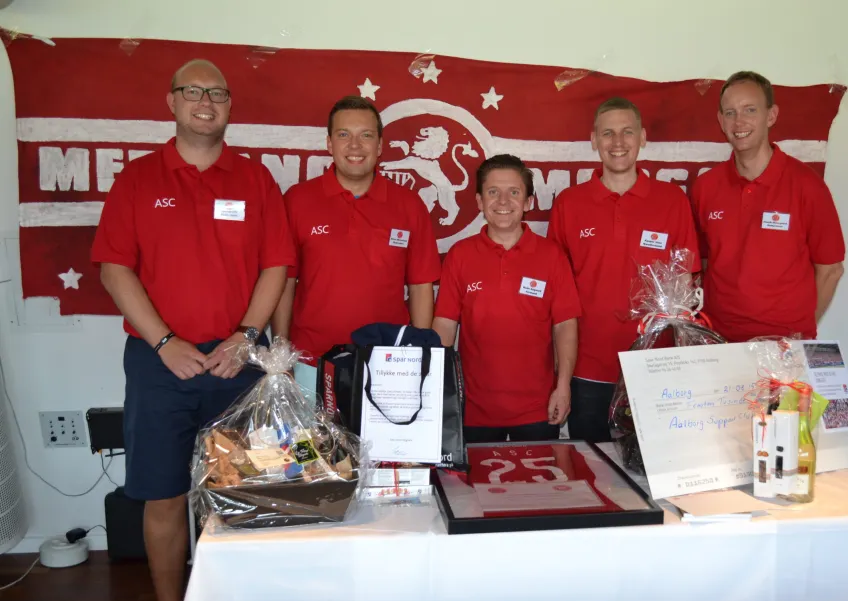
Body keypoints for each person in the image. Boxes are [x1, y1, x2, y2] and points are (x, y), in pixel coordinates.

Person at [91, 59, 294, 601]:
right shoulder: (138, 179)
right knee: (163, 492)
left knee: (245, 491)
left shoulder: (255, 179)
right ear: (172, 101)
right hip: (161, 364)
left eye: (218, 94)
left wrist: (245, 336)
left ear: (230, 105)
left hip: (238, 361)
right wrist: (164, 342)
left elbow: (276, 266)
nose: (206, 102)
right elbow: (114, 268)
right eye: (193, 92)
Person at [548, 98, 701, 443]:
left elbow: (684, 282)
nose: (618, 142)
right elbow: (556, 294)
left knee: (650, 465)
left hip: (653, 365)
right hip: (586, 366)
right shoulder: (569, 204)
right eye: (608, 133)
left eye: (627, 132)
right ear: (594, 140)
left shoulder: (672, 200)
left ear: (642, 137)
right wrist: (560, 370)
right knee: (590, 465)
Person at [270, 95, 441, 358]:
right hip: (310, 360)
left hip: (386, 362)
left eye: (366, 135)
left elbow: (420, 287)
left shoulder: (409, 205)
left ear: (380, 145)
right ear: (329, 143)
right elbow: (284, 281)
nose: (354, 145)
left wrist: (418, 354)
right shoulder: (298, 200)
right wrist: (281, 353)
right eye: (343, 135)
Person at [433, 154, 581, 443]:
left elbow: (565, 325)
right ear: (479, 201)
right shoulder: (460, 255)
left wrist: (563, 387)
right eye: (493, 192)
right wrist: (436, 389)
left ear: (528, 202)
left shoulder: (552, 256)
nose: (503, 201)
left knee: (540, 474)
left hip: (538, 409)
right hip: (473, 409)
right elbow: (445, 326)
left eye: (514, 192)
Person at [690, 70, 846, 342]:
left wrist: (799, 332)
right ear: (721, 121)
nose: (739, 121)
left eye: (750, 110)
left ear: (771, 115)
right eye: (730, 112)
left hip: (784, 346)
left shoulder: (807, 185)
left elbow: (831, 270)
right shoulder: (706, 187)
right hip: (719, 341)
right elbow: (703, 262)